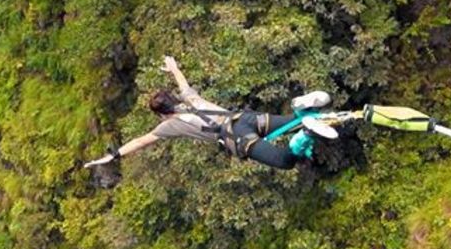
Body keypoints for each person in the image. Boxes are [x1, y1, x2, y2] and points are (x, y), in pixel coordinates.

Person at [83, 56, 335, 170]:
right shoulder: (190, 98)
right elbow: (183, 83)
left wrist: (113, 156)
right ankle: (301, 108)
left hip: (236, 136)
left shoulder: (170, 126)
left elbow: (140, 141)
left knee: (285, 161)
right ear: (174, 99)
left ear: (161, 114)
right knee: (296, 122)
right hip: (244, 117)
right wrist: (173, 68)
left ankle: (303, 138)